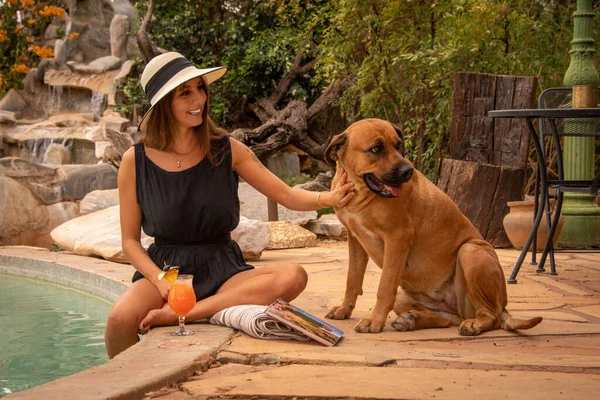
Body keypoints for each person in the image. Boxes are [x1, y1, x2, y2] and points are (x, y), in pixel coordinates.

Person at [104, 52, 355, 358]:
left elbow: (286, 195)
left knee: (293, 275)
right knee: (119, 321)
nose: (199, 98)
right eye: (185, 92)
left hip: (223, 267)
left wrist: (328, 198)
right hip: (168, 269)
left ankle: (187, 312)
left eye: (200, 88)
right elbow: (130, 241)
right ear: (163, 104)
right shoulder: (135, 160)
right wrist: (160, 282)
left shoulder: (228, 149)